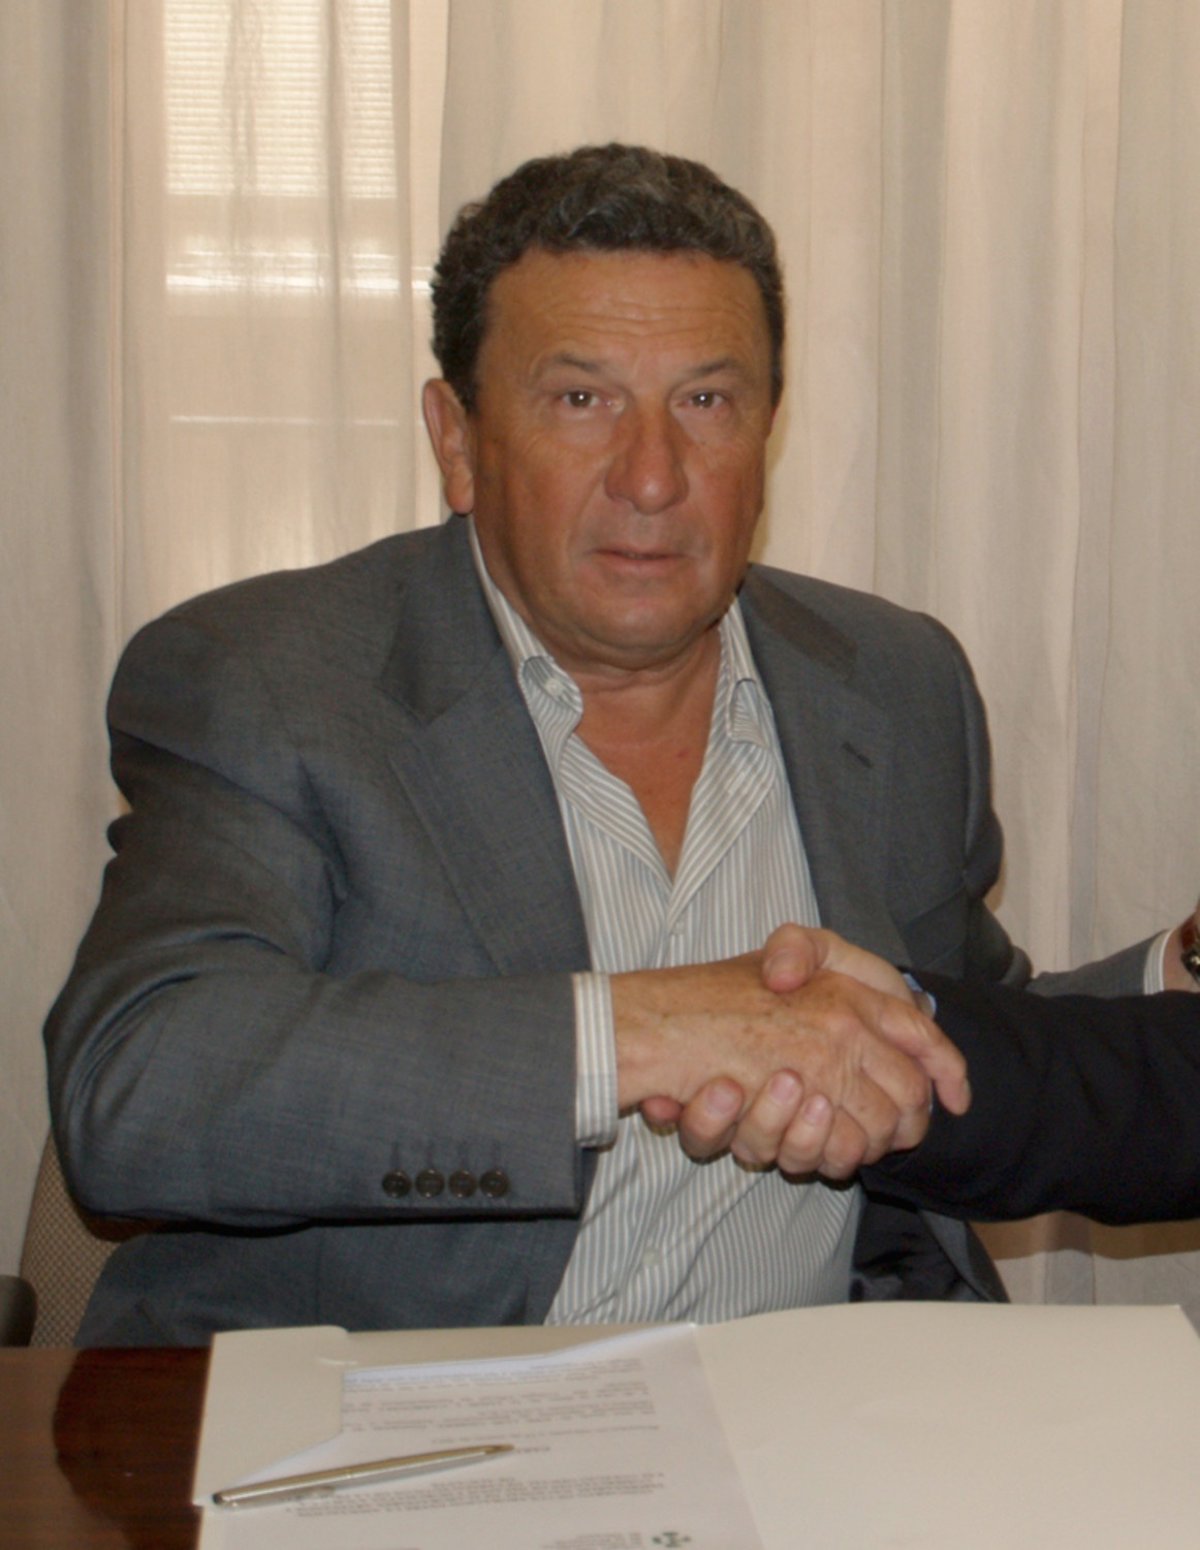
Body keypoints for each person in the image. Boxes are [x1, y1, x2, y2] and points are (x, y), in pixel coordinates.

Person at [44, 144, 1197, 1346]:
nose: (653, 477)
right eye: (581, 400)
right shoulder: (274, 681)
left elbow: (945, 1033)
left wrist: (1179, 966)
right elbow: (141, 1083)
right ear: (457, 439)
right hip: (407, 1409)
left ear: (767, 434)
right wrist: (643, 1030)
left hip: (812, 1404)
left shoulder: (897, 682)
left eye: (706, 402)